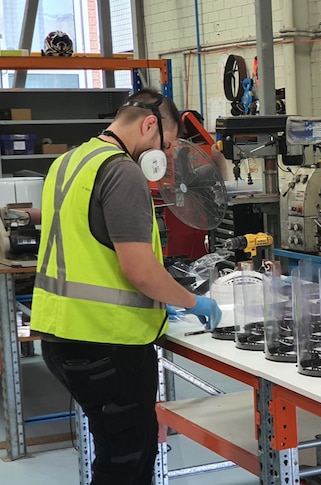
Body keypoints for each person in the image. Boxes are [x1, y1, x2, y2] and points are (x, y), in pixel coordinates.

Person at [30, 88, 221, 485]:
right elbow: (140, 271)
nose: (163, 158)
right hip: (106, 343)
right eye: (165, 146)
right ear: (149, 124)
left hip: (60, 336)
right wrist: (192, 301)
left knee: (119, 453)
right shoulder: (121, 170)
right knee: (127, 461)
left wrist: (156, 300)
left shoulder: (68, 162)